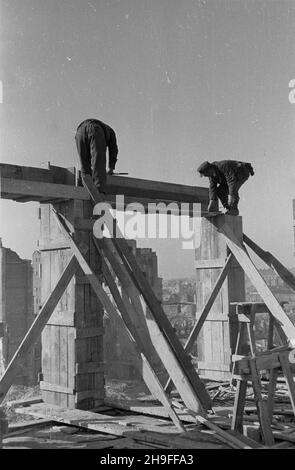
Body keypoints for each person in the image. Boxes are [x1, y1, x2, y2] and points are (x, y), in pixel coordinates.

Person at [75, 118, 118, 192]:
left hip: (79, 132)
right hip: (95, 129)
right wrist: (111, 168)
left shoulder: (107, 130)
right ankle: (99, 191)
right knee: (98, 161)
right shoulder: (111, 132)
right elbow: (113, 150)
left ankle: (85, 189)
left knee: (84, 164)